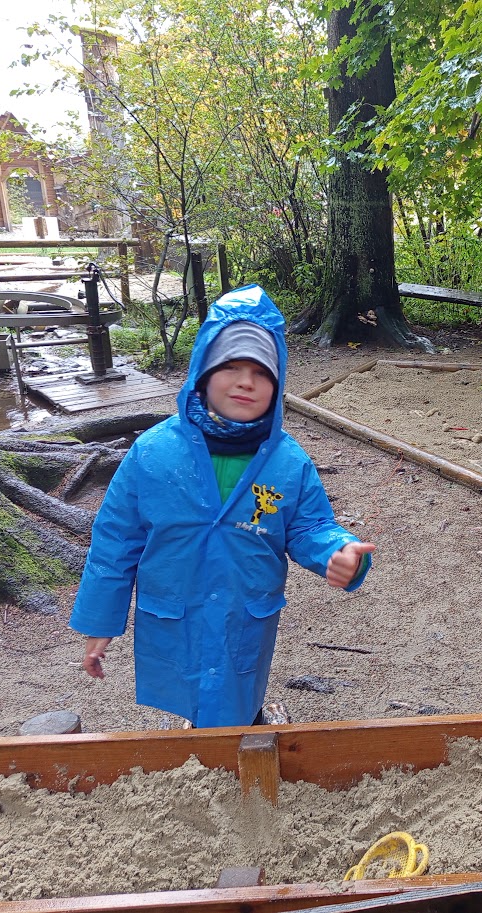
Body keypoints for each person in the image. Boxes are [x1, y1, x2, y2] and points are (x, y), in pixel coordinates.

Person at [69, 284, 375, 727]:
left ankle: (244, 728)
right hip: (175, 608)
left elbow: (309, 526)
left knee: (235, 688)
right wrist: (100, 623)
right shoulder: (153, 453)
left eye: (262, 372)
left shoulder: (288, 462)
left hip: (243, 611)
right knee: (190, 688)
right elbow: (115, 542)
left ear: (278, 384)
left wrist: (338, 551)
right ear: (203, 373)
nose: (246, 381)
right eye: (231, 366)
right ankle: (202, 735)